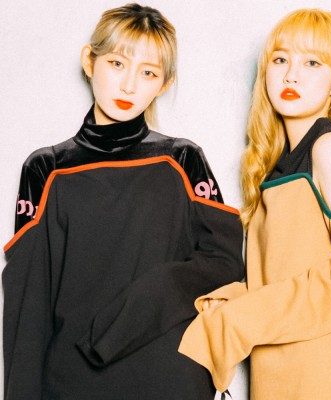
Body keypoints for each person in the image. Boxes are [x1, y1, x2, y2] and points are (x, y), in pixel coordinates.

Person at [3, 3, 244, 399]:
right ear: (89, 61)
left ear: (164, 84)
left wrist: (141, 306)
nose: (129, 85)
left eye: (148, 73)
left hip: (170, 379)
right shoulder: (47, 168)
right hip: (72, 384)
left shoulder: (183, 159)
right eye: (117, 64)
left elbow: (225, 262)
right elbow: (28, 304)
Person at [179, 8, 331, 400]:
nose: (291, 75)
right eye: (280, 60)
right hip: (286, 380)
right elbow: (287, 280)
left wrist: (241, 318)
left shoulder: (330, 149)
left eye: (312, 62)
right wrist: (235, 298)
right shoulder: (274, 168)